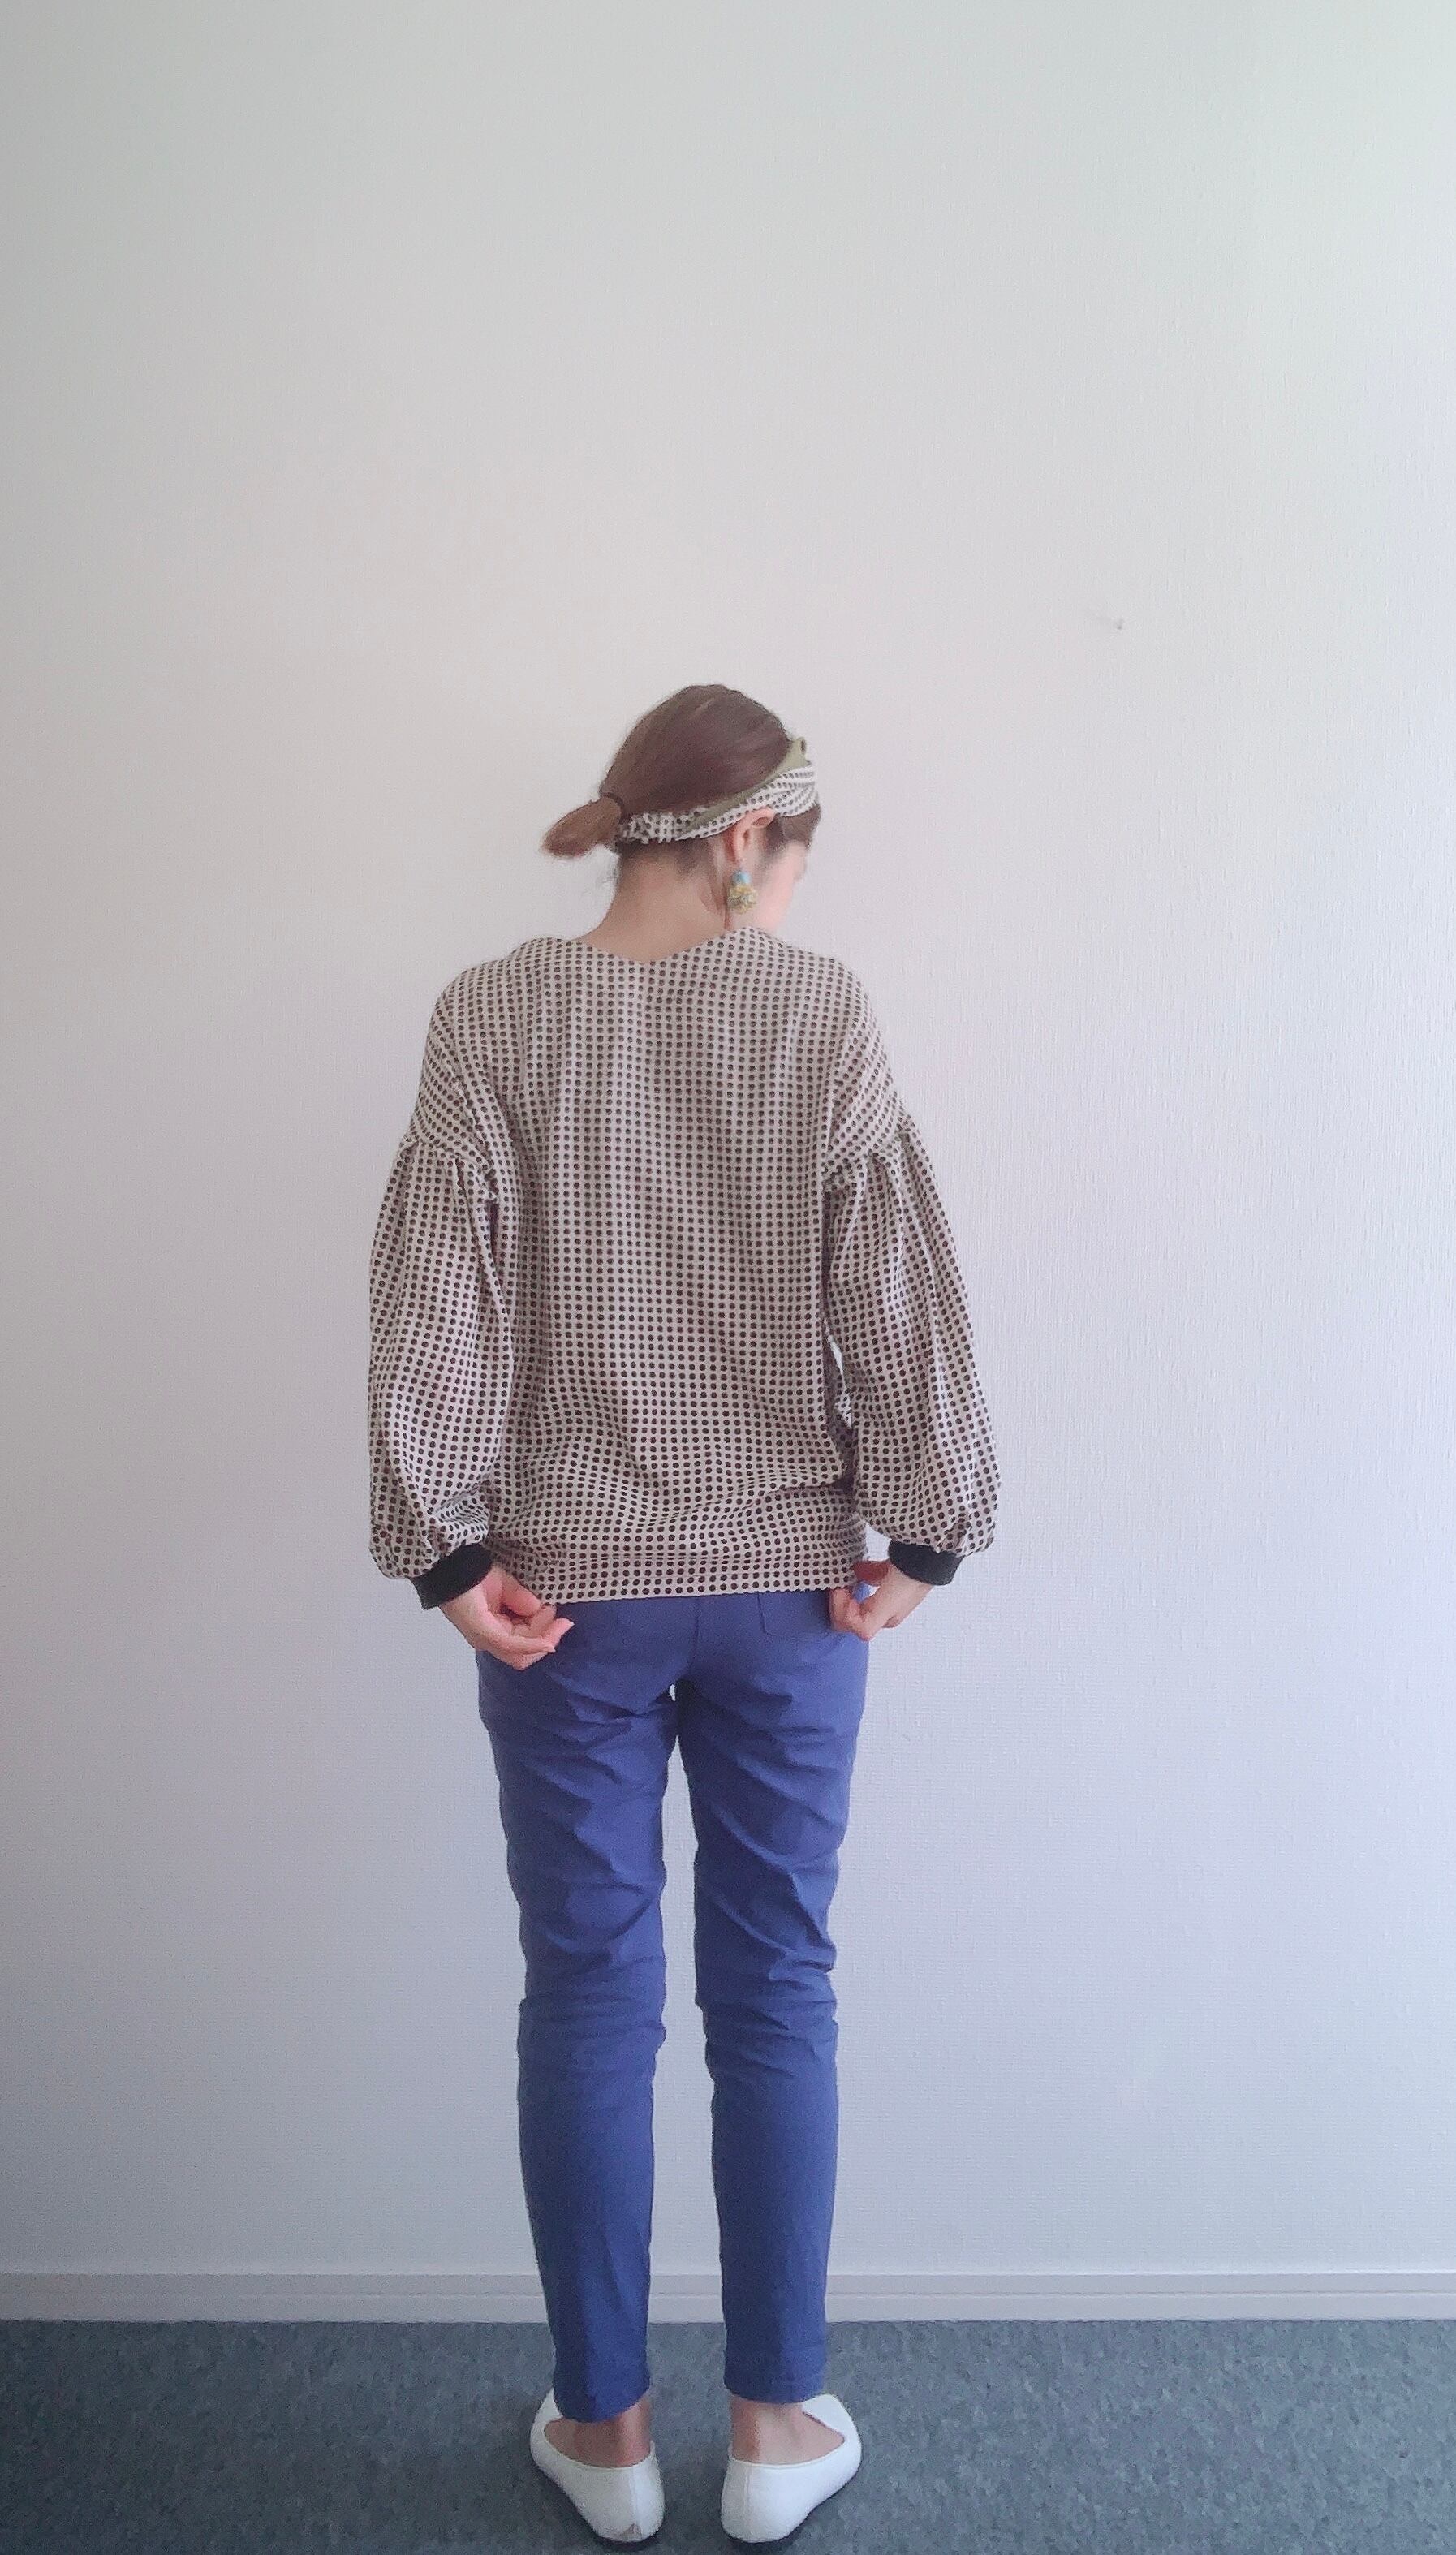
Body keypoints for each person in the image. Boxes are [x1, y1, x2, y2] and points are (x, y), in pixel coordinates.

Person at [367, 683, 998, 2544]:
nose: (790, 896)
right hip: (792, 1593)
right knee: (777, 1984)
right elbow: (893, 1280)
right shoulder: (819, 1012)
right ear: (742, 840)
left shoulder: (491, 1012)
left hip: (559, 1593)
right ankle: (778, 2425)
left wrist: (440, 1546)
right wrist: (931, 1525)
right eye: (793, 861)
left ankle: (610, 2432)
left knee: (587, 1990)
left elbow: (435, 1289)